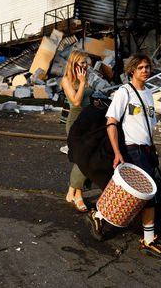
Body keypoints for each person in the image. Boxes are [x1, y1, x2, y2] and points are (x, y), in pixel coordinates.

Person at [86, 52, 161, 259]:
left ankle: (97, 215)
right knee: (147, 193)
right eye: (141, 67)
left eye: (147, 67)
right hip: (131, 149)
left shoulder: (149, 93)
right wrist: (117, 152)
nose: (145, 71)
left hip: (146, 149)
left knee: (132, 194)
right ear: (132, 69)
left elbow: (150, 126)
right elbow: (111, 122)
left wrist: (153, 147)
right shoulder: (125, 92)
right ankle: (148, 240)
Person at [61, 50, 93, 212]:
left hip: (89, 118)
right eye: (82, 63)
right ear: (74, 64)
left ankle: (71, 192)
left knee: (89, 156)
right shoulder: (66, 80)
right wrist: (81, 82)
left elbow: (88, 97)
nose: (85, 66)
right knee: (83, 158)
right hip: (76, 121)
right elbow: (76, 100)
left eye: (86, 62)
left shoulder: (85, 78)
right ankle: (78, 195)